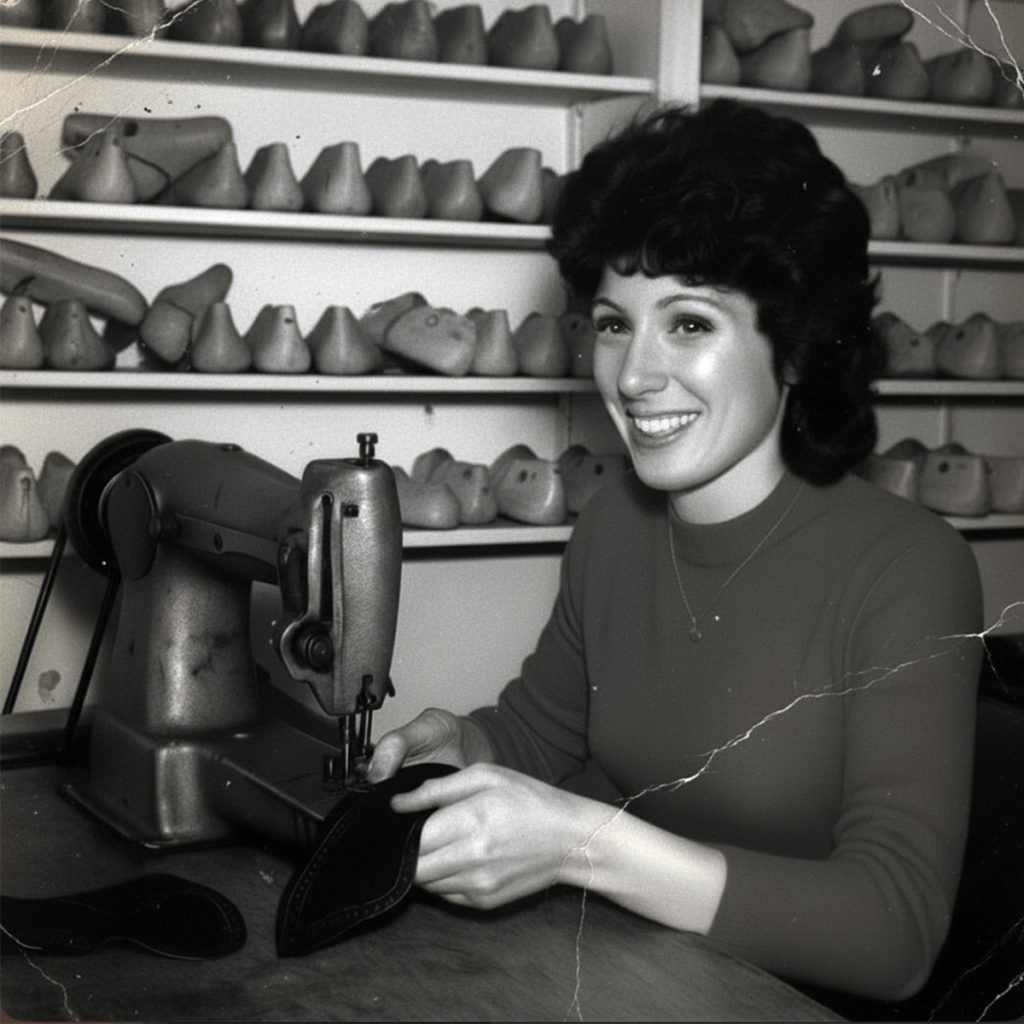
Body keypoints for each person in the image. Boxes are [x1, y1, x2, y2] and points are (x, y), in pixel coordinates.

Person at [366, 99, 983, 1005]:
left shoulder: (909, 570)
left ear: (799, 345)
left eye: (689, 323)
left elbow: (895, 933)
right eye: (615, 323)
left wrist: (582, 844)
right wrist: (460, 742)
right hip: (633, 981)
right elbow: (542, 730)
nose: (635, 374)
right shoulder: (615, 521)